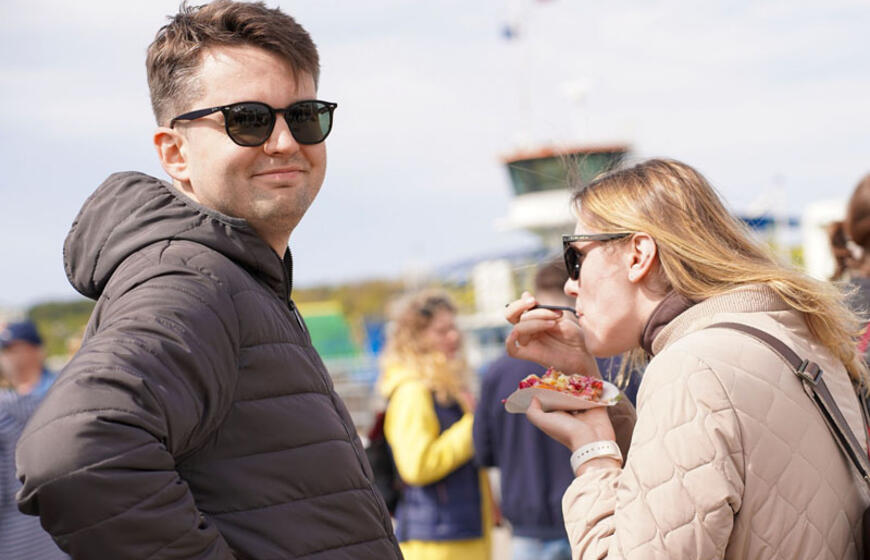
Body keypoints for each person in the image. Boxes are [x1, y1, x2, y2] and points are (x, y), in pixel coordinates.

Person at [14, 2, 401, 558]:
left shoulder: (240, 279)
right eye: (248, 119)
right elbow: (71, 454)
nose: (285, 142)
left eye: (304, 115)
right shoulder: (192, 280)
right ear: (175, 153)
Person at [505, 158, 870, 559]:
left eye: (575, 259)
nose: (570, 285)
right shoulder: (794, 332)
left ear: (638, 255)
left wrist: (593, 455)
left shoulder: (691, 368)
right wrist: (584, 380)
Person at [472, 260, 578, 560]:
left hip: (527, 518)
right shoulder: (606, 361)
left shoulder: (497, 371)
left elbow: (483, 450)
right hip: (591, 512)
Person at [377, 290, 493, 559]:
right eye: (442, 331)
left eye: (454, 327)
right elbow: (416, 466)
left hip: (456, 534)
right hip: (436, 543)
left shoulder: (443, 384)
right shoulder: (412, 391)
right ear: (415, 339)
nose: (454, 337)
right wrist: (472, 425)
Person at [0, 321, 67, 560]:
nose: (8, 358)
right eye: (5, 351)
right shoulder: (71, 393)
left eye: (14, 349)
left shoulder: (65, 394)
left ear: (37, 350)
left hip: (21, 541)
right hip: (64, 536)